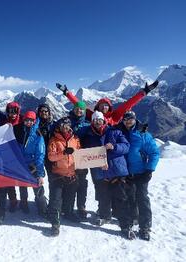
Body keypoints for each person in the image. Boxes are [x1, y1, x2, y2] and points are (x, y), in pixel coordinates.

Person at [78, 111, 135, 239]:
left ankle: (126, 226)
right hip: (100, 172)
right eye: (95, 120)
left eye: (100, 120)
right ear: (92, 122)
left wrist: (114, 147)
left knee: (121, 199)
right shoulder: (88, 136)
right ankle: (104, 216)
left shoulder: (114, 132)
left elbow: (126, 146)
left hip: (116, 171)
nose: (98, 122)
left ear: (104, 120)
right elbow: (86, 154)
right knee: (103, 197)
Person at [116, 111, 160, 240]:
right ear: (123, 121)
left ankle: (145, 227)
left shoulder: (143, 134)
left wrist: (149, 169)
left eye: (131, 119)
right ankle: (128, 224)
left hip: (141, 173)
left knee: (142, 199)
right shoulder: (119, 132)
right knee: (127, 199)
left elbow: (154, 153)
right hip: (125, 172)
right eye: (126, 119)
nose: (128, 121)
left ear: (135, 120)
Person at [56, 80, 159, 126]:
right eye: (102, 106)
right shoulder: (92, 115)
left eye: (106, 105)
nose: (104, 107)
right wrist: (67, 93)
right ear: (98, 107)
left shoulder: (115, 116)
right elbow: (79, 104)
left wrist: (144, 92)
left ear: (109, 107)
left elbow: (129, 103)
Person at [47, 117, 81, 236]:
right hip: (58, 174)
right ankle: (55, 222)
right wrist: (64, 152)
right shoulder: (54, 140)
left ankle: (69, 213)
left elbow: (80, 153)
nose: (66, 128)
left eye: (67, 126)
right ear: (59, 127)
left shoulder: (75, 139)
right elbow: (51, 157)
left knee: (70, 198)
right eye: (63, 126)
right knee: (56, 200)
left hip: (71, 173)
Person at [13, 111, 47, 216]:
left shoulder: (37, 135)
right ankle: (24, 204)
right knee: (22, 186)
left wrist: (40, 174)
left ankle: (43, 209)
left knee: (38, 187)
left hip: (33, 165)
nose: (28, 122)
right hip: (22, 165)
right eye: (26, 120)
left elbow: (40, 155)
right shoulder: (19, 131)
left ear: (34, 121)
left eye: (31, 120)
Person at [68, 101, 91, 220]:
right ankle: (69, 207)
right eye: (77, 108)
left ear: (84, 111)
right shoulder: (67, 121)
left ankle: (81, 206)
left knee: (82, 183)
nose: (79, 111)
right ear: (73, 109)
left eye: (81, 109)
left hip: (83, 157)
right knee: (70, 183)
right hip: (69, 158)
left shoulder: (88, 124)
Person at [5, 101, 22, 212]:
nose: (13, 114)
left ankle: (24, 200)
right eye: (10, 111)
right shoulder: (4, 124)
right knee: (9, 179)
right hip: (8, 155)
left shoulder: (23, 121)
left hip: (20, 154)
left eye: (15, 111)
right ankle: (13, 200)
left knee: (21, 177)